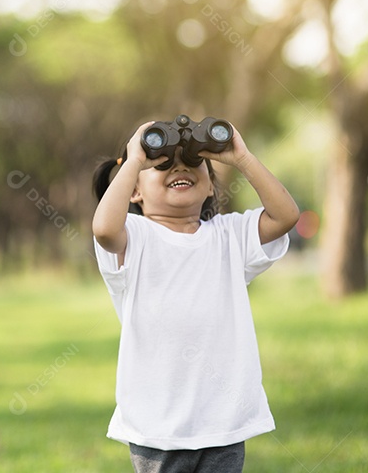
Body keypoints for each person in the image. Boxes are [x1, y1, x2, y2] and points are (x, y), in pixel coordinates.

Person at [91, 119, 300, 473]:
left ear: (210, 187)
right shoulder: (135, 237)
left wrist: (242, 157)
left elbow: (286, 216)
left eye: (192, 161)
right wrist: (135, 158)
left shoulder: (229, 235)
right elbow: (104, 229)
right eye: (161, 163)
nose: (180, 167)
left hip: (223, 421)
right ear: (134, 191)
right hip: (158, 425)